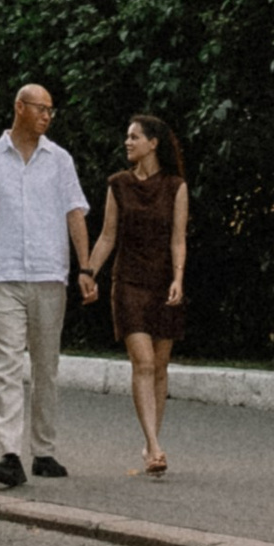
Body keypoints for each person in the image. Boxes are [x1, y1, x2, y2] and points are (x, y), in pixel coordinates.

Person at [0, 81, 91, 488]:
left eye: (51, 110)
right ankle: (10, 453)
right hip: (4, 274)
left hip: (50, 273)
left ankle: (44, 450)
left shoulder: (60, 160)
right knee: (8, 364)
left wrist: (85, 268)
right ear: (20, 108)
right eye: (41, 108)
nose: (47, 116)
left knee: (46, 365)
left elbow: (75, 213)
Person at [79, 111, 189, 475]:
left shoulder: (176, 186)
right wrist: (88, 271)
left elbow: (178, 239)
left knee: (159, 367)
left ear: (153, 143)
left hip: (163, 283)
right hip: (128, 283)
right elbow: (108, 235)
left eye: (134, 137)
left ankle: (150, 444)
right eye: (127, 137)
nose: (127, 142)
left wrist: (178, 279)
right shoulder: (118, 184)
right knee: (142, 363)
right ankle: (155, 447)